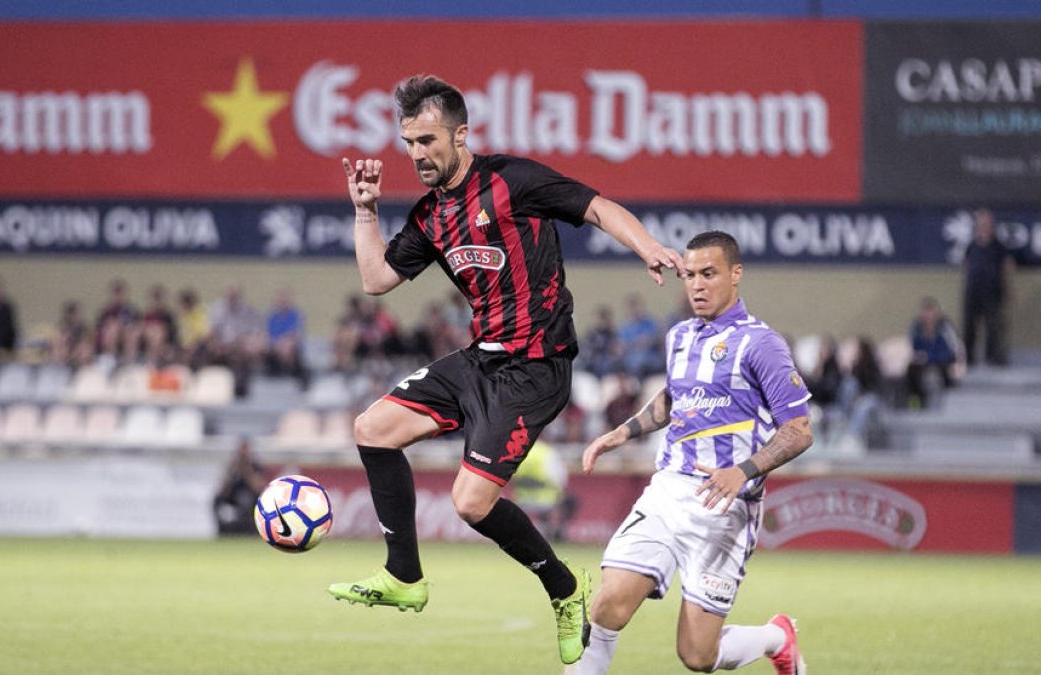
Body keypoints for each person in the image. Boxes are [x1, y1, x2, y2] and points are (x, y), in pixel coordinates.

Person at [328, 74, 684, 666]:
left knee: (470, 503)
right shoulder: (430, 215)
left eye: (427, 139)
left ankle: (565, 590)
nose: (417, 153)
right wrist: (364, 212)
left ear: (461, 134)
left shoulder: (512, 181)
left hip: (536, 367)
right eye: (408, 141)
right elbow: (376, 281)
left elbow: (595, 206)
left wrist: (647, 246)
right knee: (372, 429)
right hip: (480, 359)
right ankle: (404, 576)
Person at [575, 231, 811, 675]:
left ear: (735, 274)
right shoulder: (680, 335)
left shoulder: (762, 344)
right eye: (690, 275)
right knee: (608, 605)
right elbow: (674, 397)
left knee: (698, 656)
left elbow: (799, 431)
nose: (697, 285)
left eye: (709, 274)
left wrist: (742, 472)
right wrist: (621, 434)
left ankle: (776, 636)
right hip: (667, 491)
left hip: (725, 505)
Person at [961, 208, 1014, 367]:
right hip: (973, 290)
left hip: (992, 291)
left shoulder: (998, 246)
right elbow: (966, 264)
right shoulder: (971, 245)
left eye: (987, 222)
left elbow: (1006, 267)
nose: (984, 225)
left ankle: (992, 356)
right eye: (981, 222)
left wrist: (1006, 289)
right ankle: (968, 356)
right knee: (969, 324)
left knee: (993, 325)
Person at [906, 296, 963, 409]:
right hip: (920, 365)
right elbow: (911, 348)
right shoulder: (916, 329)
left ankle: (936, 407)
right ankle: (914, 405)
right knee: (911, 372)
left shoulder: (945, 329)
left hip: (942, 364)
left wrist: (928, 357)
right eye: (925, 312)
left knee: (934, 375)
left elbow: (952, 353)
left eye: (931, 312)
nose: (928, 316)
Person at [212, 438, 269, 535]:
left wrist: (246, 469)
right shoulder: (233, 467)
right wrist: (232, 472)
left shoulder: (255, 467)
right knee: (217, 501)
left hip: (252, 500)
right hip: (235, 500)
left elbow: (258, 488)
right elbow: (223, 490)